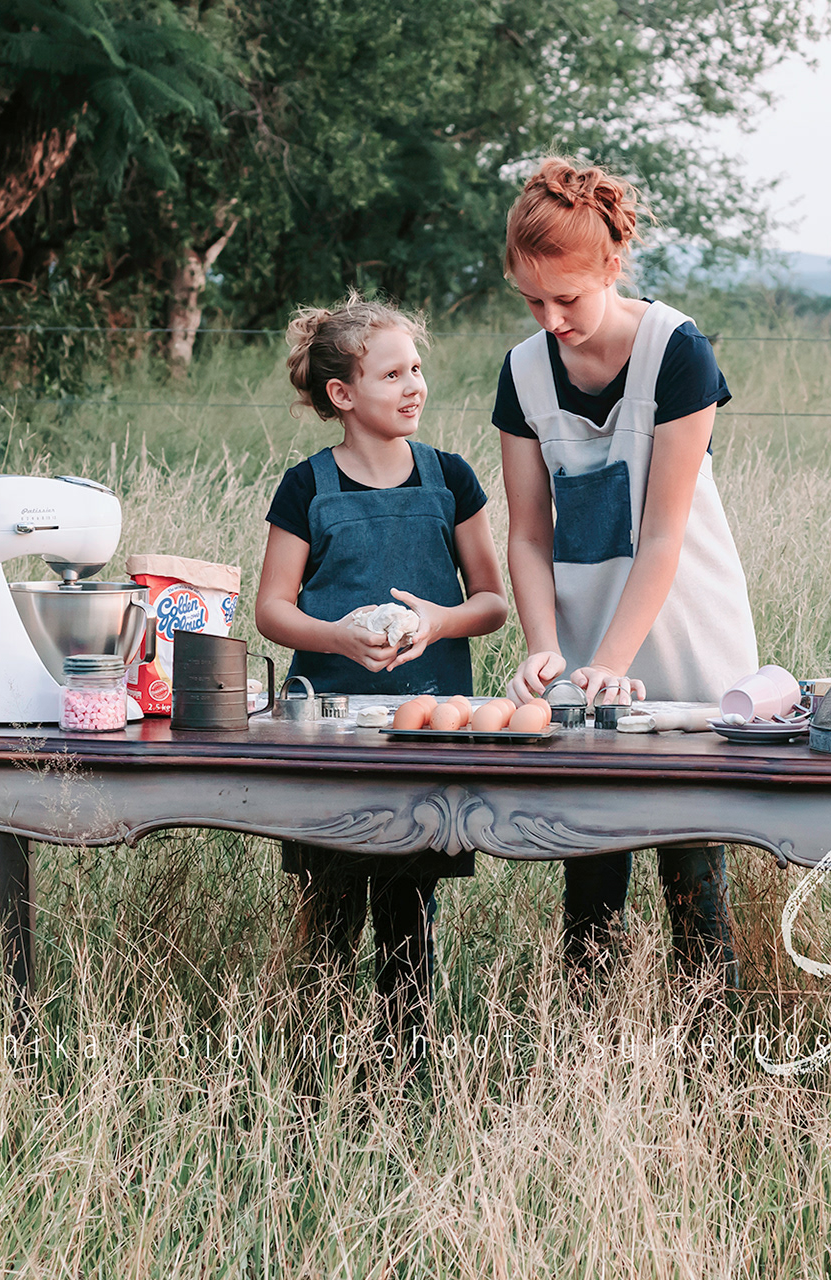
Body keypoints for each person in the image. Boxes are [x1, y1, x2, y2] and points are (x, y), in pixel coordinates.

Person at [494, 159, 760, 985]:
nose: (551, 319)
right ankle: (591, 1073)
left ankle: (708, 1067)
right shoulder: (523, 371)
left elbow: (663, 536)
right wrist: (549, 648)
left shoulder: (677, 353)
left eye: (566, 298)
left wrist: (613, 659)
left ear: (612, 266)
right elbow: (529, 536)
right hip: (582, 652)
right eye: (532, 301)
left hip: (682, 635)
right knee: (590, 877)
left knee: (694, 884)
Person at [255, 290, 508, 1049]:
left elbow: (492, 601)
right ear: (343, 394)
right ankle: (314, 1070)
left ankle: (405, 1069)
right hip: (328, 732)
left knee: (408, 911)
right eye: (393, 374)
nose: (414, 386)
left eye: (417, 369)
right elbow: (273, 609)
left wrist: (438, 621)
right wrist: (334, 638)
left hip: (426, 730)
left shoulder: (450, 477)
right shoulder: (307, 487)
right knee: (328, 909)